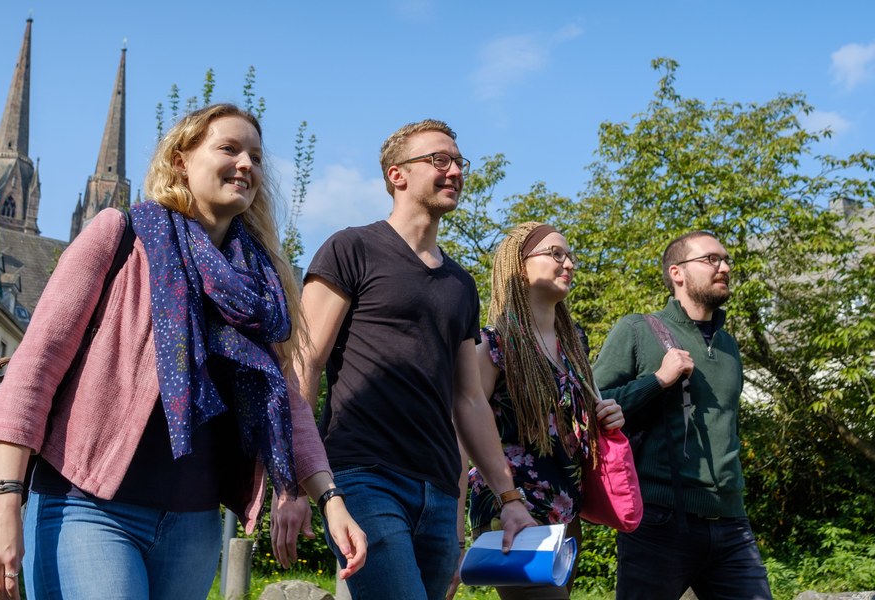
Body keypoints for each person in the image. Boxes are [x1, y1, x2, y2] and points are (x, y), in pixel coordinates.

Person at [0, 104, 366, 600]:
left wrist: (329, 499)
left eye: (256, 156)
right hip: (88, 507)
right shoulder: (121, 236)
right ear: (181, 160)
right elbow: (35, 368)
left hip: (192, 526)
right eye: (228, 148)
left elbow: (286, 403)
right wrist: (5, 500)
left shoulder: (257, 283)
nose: (246, 164)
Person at [270, 119, 538, 600]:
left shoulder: (461, 285)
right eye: (440, 160)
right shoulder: (351, 249)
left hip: (438, 496)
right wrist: (290, 483)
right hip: (362, 477)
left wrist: (509, 497)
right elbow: (304, 366)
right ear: (398, 175)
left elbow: (470, 400)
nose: (455, 170)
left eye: (459, 162)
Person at [591, 231, 772, 600]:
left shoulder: (728, 345)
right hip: (659, 519)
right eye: (710, 260)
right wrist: (658, 381)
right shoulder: (638, 330)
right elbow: (591, 406)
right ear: (677, 272)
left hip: (730, 521)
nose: (723, 267)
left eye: (725, 260)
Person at [468, 222, 626, 599]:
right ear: (519, 266)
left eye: (570, 255)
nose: (568, 262)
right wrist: (448, 524)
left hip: (566, 506)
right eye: (555, 253)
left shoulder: (574, 344)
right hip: (514, 504)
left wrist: (607, 416)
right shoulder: (492, 345)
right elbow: (464, 429)